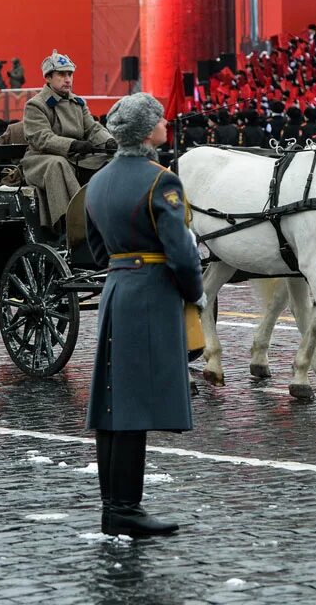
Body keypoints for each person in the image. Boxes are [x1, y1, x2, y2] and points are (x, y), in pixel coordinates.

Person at [83, 93, 203, 537]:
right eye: (159, 119)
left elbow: (96, 250)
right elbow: (183, 255)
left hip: (117, 291)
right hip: (152, 295)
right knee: (132, 407)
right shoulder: (162, 181)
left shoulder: (96, 183)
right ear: (145, 131)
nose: (166, 122)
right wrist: (194, 294)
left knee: (114, 403)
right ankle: (126, 511)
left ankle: (113, 509)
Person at [21, 49, 116, 230]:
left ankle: (108, 212)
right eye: (61, 74)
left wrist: (109, 142)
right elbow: (41, 138)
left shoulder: (78, 103)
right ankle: (69, 221)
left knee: (110, 160)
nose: (68, 79)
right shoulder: (36, 104)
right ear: (48, 77)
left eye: (70, 74)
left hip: (73, 156)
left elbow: (93, 128)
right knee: (58, 164)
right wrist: (72, 144)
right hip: (40, 159)